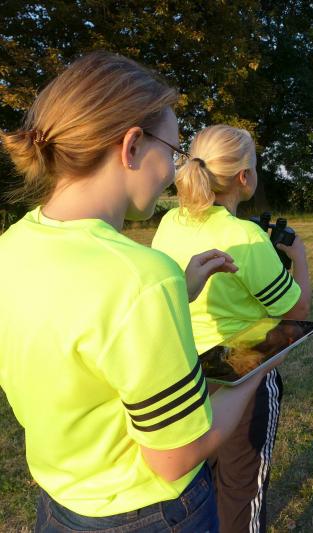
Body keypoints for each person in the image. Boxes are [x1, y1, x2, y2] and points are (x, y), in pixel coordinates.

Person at [0, 52, 270, 532]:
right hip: (151, 514)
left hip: (59, 506)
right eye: (172, 150)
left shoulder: (12, 246)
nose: (173, 171)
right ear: (131, 146)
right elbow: (177, 454)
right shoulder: (142, 277)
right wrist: (256, 370)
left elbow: (77, 333)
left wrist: (178, 293)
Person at [151, 125, 311, 533]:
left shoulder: (170, 221)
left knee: (198, 488)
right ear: (245, 177)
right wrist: (299, 258)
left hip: (186, 377)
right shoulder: (246, 236)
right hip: (244, 376)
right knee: (241, 492)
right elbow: (296, 312)